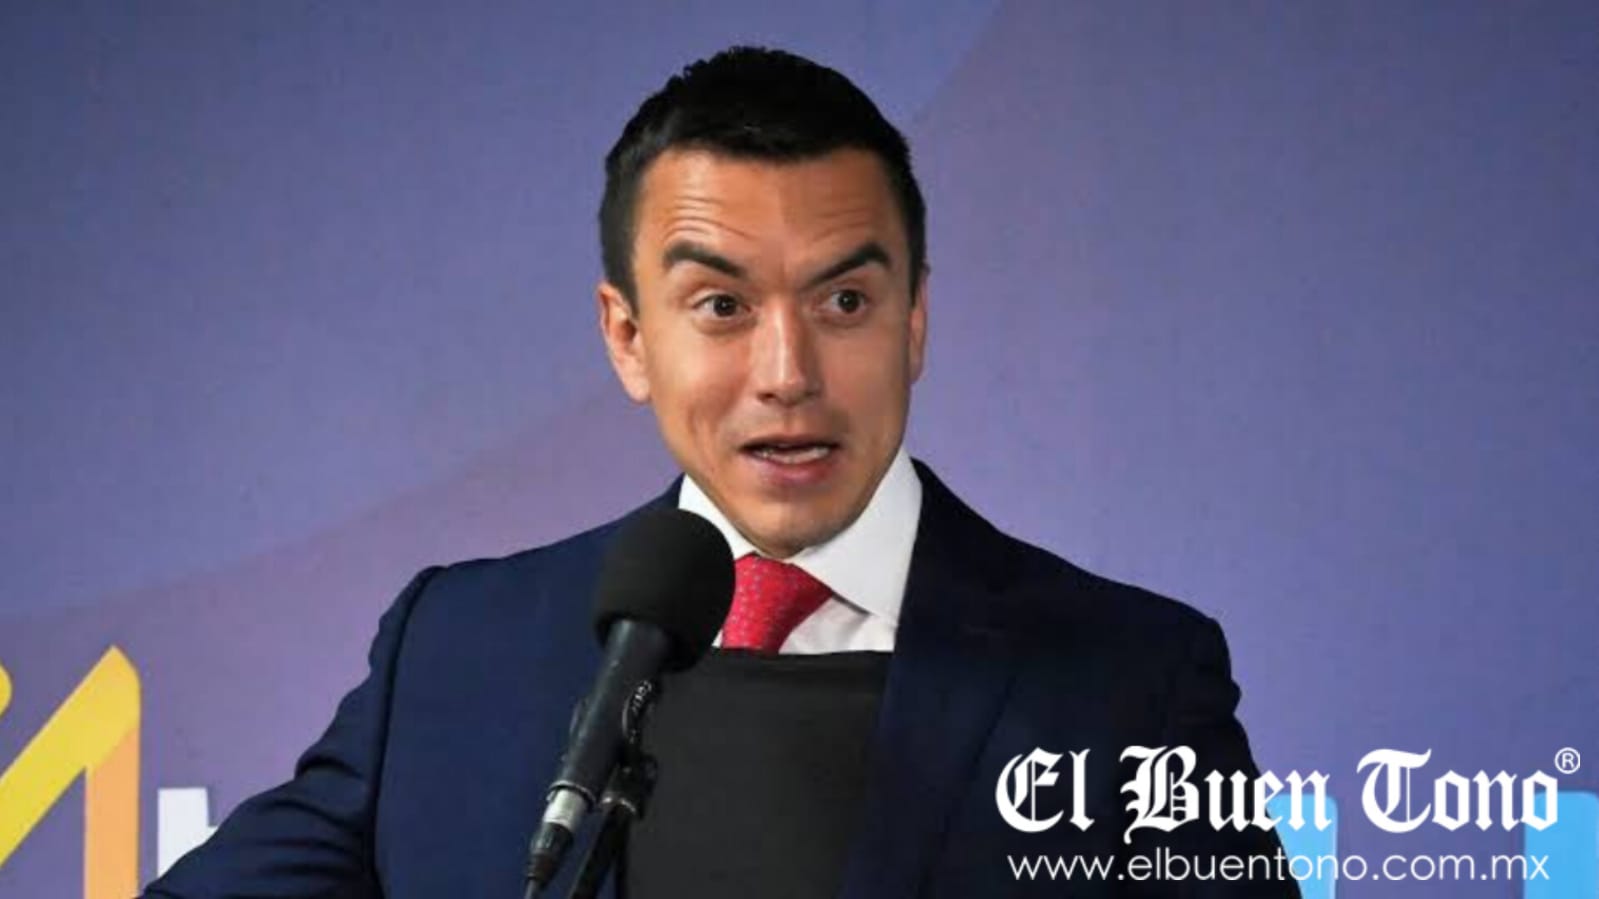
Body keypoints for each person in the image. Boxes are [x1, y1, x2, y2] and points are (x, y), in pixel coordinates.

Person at [144, 46, 1299, 898]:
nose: (788, 372)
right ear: (628, 336)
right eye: (721, 306)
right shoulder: (455, 649)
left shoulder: (1129, 682)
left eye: (844, 300)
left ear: (914, 321)